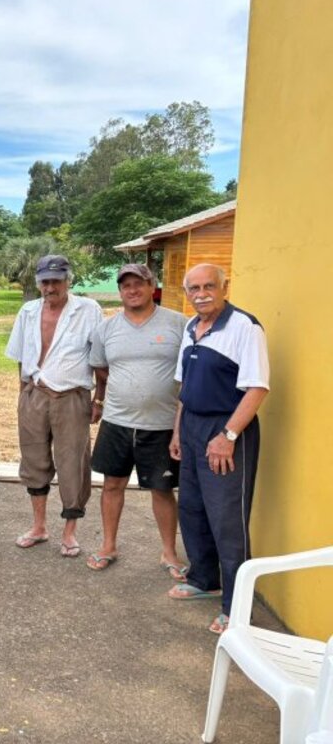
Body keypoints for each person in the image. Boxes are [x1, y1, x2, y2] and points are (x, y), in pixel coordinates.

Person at [167, 263, 269, 635]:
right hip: (192, 426)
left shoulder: (244, 327)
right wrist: (178, 432)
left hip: (225, 428)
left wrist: (228, 435)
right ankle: (204, 579)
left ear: (225, 287)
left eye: (209, 286)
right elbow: (185, 386)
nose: (201, 293)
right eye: (193, 288)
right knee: (192, 508)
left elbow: (257, 388)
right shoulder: (192, 327)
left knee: (227, 519)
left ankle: (237, 607)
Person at [86, 264, 188, 575]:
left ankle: (169, 553)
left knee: (162, 489)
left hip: (162, 424)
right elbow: (100, 368)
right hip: (117, 421)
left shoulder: (178, 324)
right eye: (126, 285)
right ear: (120, 291)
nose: (132, 290)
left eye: (139, 283)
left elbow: (189, 371)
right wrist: (104, 398)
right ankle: (108, 545)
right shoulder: (107, 328)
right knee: (112, 484)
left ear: (152, 285)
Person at [5, 255, 103, 558]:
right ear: (38, 282)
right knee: (33, 460)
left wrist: (99, 397)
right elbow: (22, 354)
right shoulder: (29, 311)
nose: (50, 287)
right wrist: (24, 392)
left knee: (73, 463)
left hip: (72, 396)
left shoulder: (88, 310)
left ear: (68, 280)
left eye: (56, 280)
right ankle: (39, 526)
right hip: (35, 393)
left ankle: (70, 533)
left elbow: (100, 358)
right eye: (45, 281)